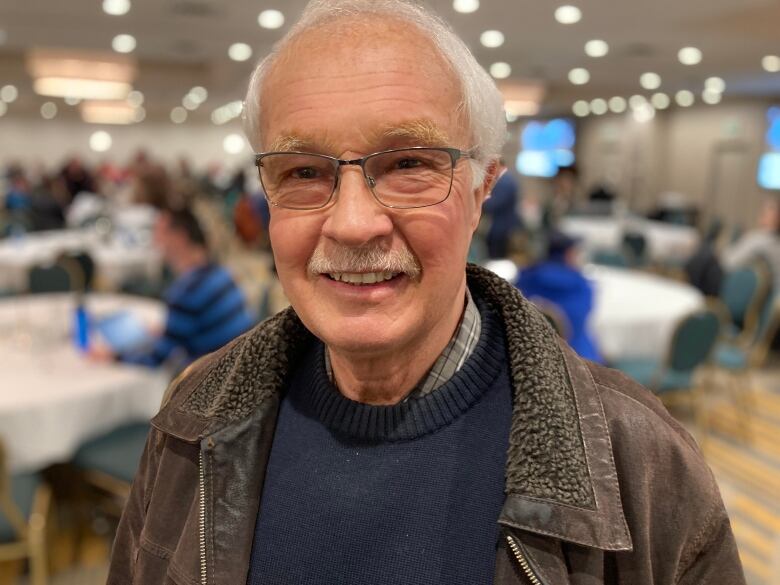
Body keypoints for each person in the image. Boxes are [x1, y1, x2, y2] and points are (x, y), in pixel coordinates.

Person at [108, 2, 745, 584]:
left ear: (481, 191)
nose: (354, 223)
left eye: (409, 164)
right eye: (303, 172)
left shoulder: (640, 462)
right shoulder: (193, 420)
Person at [91, 208, 254, 370]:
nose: (156, 240)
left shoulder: (187, 291)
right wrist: (168, 330)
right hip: (240, 364)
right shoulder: (220, 273)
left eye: (160, 232)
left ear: (179, 237)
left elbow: (156, 359)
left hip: (215, 376)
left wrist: (114, 356)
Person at [516, 232, 603, 363]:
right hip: (580, 360)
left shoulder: (526, 279)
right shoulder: (580, 286)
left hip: (528, 358)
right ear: (568, 254)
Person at [723, 197, 780, 291]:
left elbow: (728, 263)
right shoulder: (770, 240)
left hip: (725, 282)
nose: (760, 216)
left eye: (764, 213)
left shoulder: (760, 239)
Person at [482, 159, 522, 258]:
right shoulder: (505, 180)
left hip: (502, 228)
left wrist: (479, 200)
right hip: (501, 226)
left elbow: (494, 204)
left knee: (497, 256)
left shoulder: (506, 182)